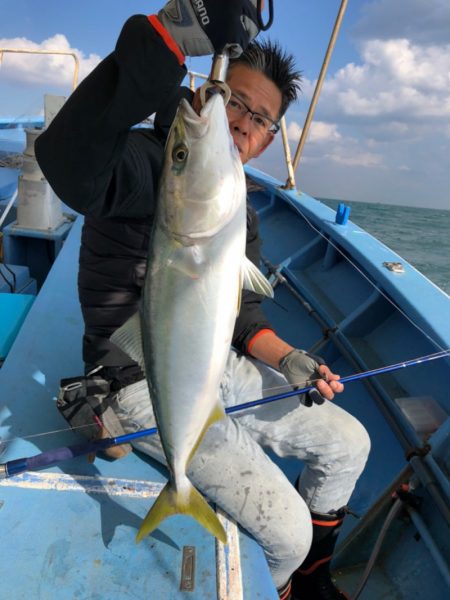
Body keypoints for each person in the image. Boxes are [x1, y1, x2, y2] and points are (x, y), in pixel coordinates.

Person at [36, 2, 370, 598]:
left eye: (260, 118)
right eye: (233, 101)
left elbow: (238, 310)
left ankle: (312, 585)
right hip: (138, 377)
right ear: (204, 96)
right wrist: (167, 34)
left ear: (270, 139)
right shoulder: (150, 161)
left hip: (212, 363)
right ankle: (279, 583)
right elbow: (70, 162)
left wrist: (290, 358)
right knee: (286, 536)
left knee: (350, 443)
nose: (241, 122)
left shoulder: (235, 200)